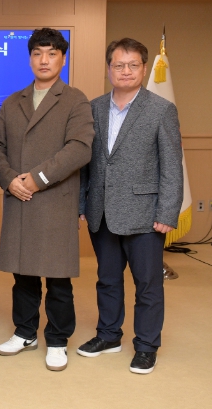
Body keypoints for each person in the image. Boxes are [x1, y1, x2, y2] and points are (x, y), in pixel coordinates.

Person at [0, 28, 94, 371]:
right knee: (23, 274)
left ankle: (58, 339)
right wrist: (9, 180)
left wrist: (37, 179)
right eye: (37, 53)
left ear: (62, 59)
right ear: (30, 58)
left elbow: (79, 148)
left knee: (58, 277)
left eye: (51, 54)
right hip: (19, 198)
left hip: (54, 199)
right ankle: (25, 332)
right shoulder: (13, 101)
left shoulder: (75, 99)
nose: (44, 60)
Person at [78, 38, 183, 374]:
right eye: (118, 65)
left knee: (148, 285)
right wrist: (82, 203)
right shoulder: (93, 108)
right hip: (101, 211)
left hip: (145, 214)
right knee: (107, 280)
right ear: (109, 68)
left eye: (133, 65)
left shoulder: (161, 109)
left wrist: (167, 213)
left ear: (144, 68)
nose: (125, 71)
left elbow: (172, 166)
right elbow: (85, 163)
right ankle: (108, 335)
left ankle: (146, 346)